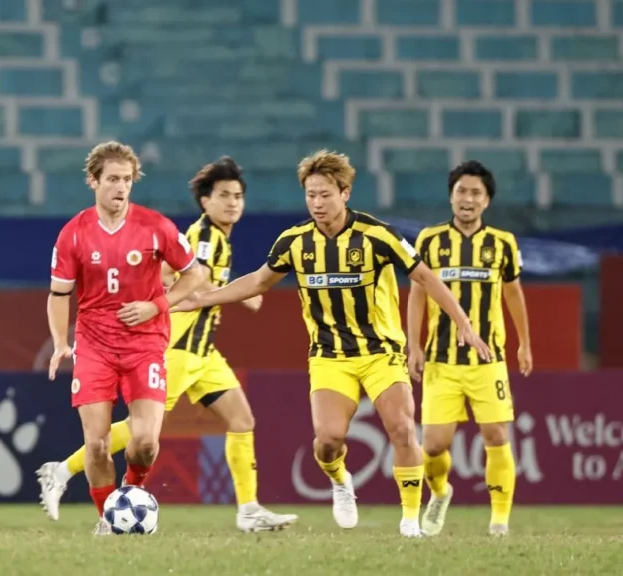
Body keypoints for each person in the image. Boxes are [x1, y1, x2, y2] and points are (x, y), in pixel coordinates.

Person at [175, 150, 492, 537]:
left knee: (403, 429)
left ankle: (410, 519)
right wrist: (200, 298)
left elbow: (426, 278)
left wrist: (464, 323)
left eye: (325, 194)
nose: (317, 203)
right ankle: (342, 482)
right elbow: (258, 281)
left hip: (381, 353)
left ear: (345, 193)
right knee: (327, 442)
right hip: (330, 357)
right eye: (310, 195)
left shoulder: (377, 235)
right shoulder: (295, 242)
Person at [38, 157, 297, 532]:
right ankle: (62, 471)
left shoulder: (219, 239)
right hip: (175, 346)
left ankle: (249, 509)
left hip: (204, 353)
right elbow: (173, 271)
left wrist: (230, 291)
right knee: (138, 434)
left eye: (238, 196)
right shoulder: (203, 236)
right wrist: (230, 293)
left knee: (241, 420)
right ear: (205, 202)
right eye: (223, 196)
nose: (233, 203)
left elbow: (196, 276)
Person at [46, 141, 207, 535]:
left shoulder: (155, 227)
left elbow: (196, 274)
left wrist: (158, 305)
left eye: (127, 180)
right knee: (97, 444)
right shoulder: (74, 234)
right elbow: (59, 294)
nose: (121, 187)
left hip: (145, 343)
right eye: (113, 179)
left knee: (145, 444)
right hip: (95, 346)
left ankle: (129, 496)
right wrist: (60, 342)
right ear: (93, 181)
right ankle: (108, 518)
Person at [407, 161, 532, 537]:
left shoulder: (503, 244)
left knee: (496, 434)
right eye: (461, 191)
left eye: (476, 193)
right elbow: (416, 294)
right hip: (441, 360)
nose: (468, 199)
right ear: (451, 196)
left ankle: (499, 520)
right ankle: (441, 492)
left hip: (487, 359)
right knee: (432, 445)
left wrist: (525, 342)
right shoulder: (429, 240)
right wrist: (413, 345)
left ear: (487, 201)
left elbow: (513, 294)